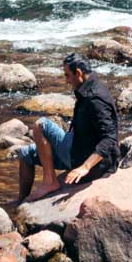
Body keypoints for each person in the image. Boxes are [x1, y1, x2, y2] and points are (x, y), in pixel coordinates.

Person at [17, 52, 120, 202]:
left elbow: (110, 138)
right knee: (25, 153)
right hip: (78, 146)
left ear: (78, 73)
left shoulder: (95, 98)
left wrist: (84, 167)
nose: (66, 81)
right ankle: (21, 201)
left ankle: (49, 182)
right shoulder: (90, 86)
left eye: (67, 75)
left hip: (85, 160)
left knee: (41, 125)